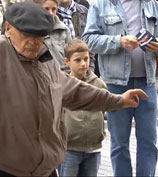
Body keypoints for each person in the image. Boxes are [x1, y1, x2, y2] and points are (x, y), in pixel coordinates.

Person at [0, 2, 147, 176]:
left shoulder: (44, 56)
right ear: (9, 29)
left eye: (39, 36)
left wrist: (118, 100)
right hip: (6, 167)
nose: (34, 43)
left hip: (45, 167)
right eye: (27, 35)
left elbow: (72, 90)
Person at [82, 0, 158, 176]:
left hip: (147, 82)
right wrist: (119, 41)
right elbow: (88, 40)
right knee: (119, 143)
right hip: (116, 84)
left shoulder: (154, 5)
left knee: (148, 142)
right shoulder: (101, 5)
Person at [58, 39, 106, 177]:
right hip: (69, 149)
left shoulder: (99, 84)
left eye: (86, 59)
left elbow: (103, 110)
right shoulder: (63, 85)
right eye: (77, 60)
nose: (83, 64)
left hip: (93, 149)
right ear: (67, 62)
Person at [31, 0, 72, 70]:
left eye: (54, 9)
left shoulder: (64, 30)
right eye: (46, 9)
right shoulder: (31, 30)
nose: (50, 13)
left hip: (64, 76)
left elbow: (71, 56)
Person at [57, 0, 95, 72]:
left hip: (84, 70)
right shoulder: (50, 13)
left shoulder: (84, 11)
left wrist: (90, 69)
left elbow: (90, 43)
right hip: (60, 73)